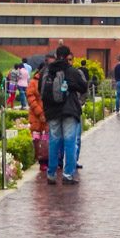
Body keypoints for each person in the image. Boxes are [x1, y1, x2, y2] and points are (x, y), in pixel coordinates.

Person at [42, 46, 88, 185]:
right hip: (69, 110)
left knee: (54, 141)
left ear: (56, 55)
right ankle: (67, 174)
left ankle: (51, 173)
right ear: (68, 55)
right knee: (70, 142)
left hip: (53, 111)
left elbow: (42, 90)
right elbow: (84, 87)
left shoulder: (48, 71)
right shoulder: (72, 71)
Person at [26, 54, 54, 174]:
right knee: (38, 142)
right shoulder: (34, 82)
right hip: (37, 117)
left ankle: (47, 161)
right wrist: (40, 112)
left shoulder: (52, 80)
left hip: (48, 115)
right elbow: (31, 98)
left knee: (47, 140)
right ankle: (41, 162)